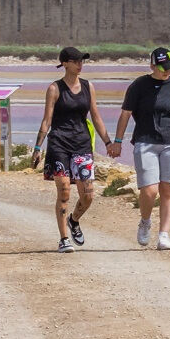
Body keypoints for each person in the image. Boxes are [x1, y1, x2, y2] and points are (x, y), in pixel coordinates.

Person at [109, 46, 170, 251]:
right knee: (149, 190)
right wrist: (117, 141)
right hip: (145, 141)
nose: (166, 70)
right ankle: (145, 222)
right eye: (162, 67)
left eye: (169, 67)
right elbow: (125, 114)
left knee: (168, 190)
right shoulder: (139, 85)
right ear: (152, 65)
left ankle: (164, 235)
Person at [35, 46, 113, 253]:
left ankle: (74, 220)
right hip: (59, 144)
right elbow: (47, 120)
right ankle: (63, 239)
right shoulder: (55, 88)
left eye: (82, 61)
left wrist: (108, 142)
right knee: (64, 191)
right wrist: (37, 147)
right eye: (76, 61)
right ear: (65, 63)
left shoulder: (88, 86)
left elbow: (96, 116)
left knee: (88, 196)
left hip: (81, 145)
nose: (80, 64)